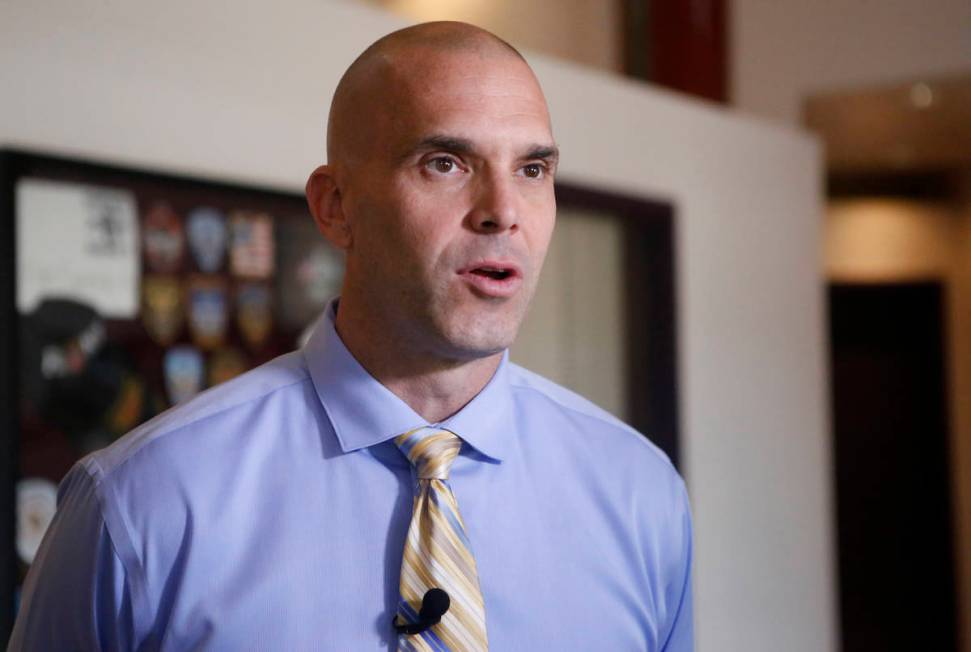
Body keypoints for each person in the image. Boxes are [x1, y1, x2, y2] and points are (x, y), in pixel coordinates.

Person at [9, 21, 693, 651]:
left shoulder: (637, 493)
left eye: (532, 169)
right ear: (335, 207)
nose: (502, 212)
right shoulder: (141, 501)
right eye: (446, 163)